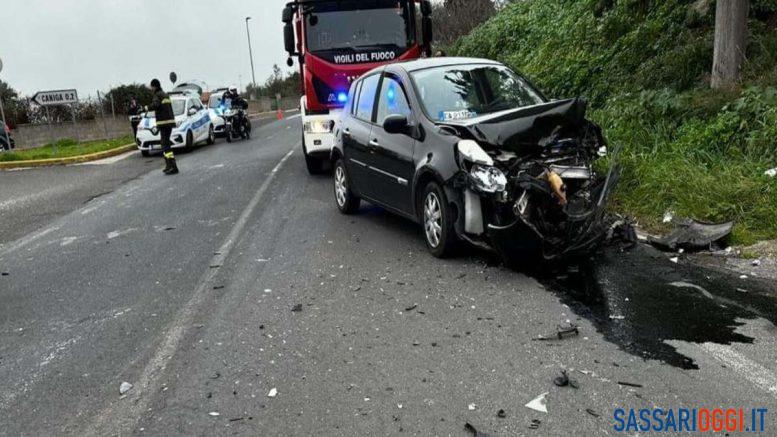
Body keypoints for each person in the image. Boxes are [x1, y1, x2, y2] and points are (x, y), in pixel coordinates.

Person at [145, 79, 179, 175]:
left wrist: (146, 108)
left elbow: (156, 105)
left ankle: (173, 166)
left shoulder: (157, 95)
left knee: (165, 146)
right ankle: (169, 166)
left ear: (154, 86)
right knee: (165, 144)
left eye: (151, 87)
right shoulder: (165, 94)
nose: (151, 88)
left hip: (164, 123)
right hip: (169, 123)